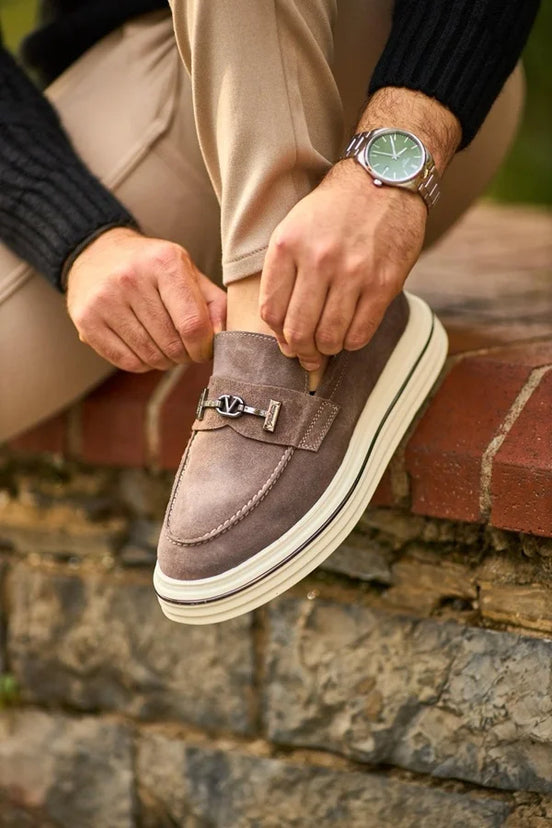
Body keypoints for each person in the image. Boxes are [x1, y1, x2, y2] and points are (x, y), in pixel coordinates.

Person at [0, 0, 539, 623]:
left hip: (411, 64)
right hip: (136, 78)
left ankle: (275, 340)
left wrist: (395, 158)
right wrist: (72, 231)